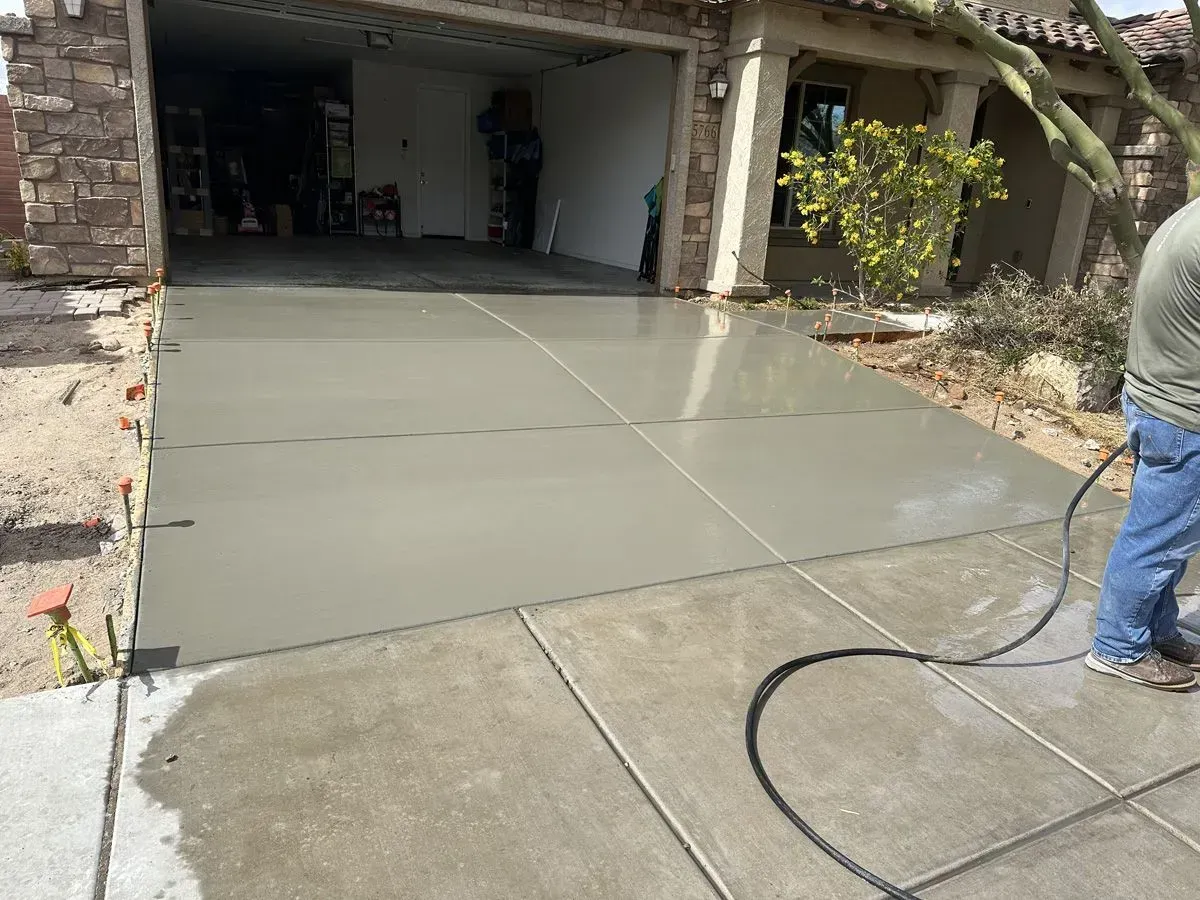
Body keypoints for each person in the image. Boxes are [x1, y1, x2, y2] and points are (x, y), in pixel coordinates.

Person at [1087, 197, 1200, 691]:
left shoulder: (1189, 217)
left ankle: (1156, 629)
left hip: (1156, 400)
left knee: (1168, 535)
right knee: (1157, 539)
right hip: (1185, 417)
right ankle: (1118, 647)